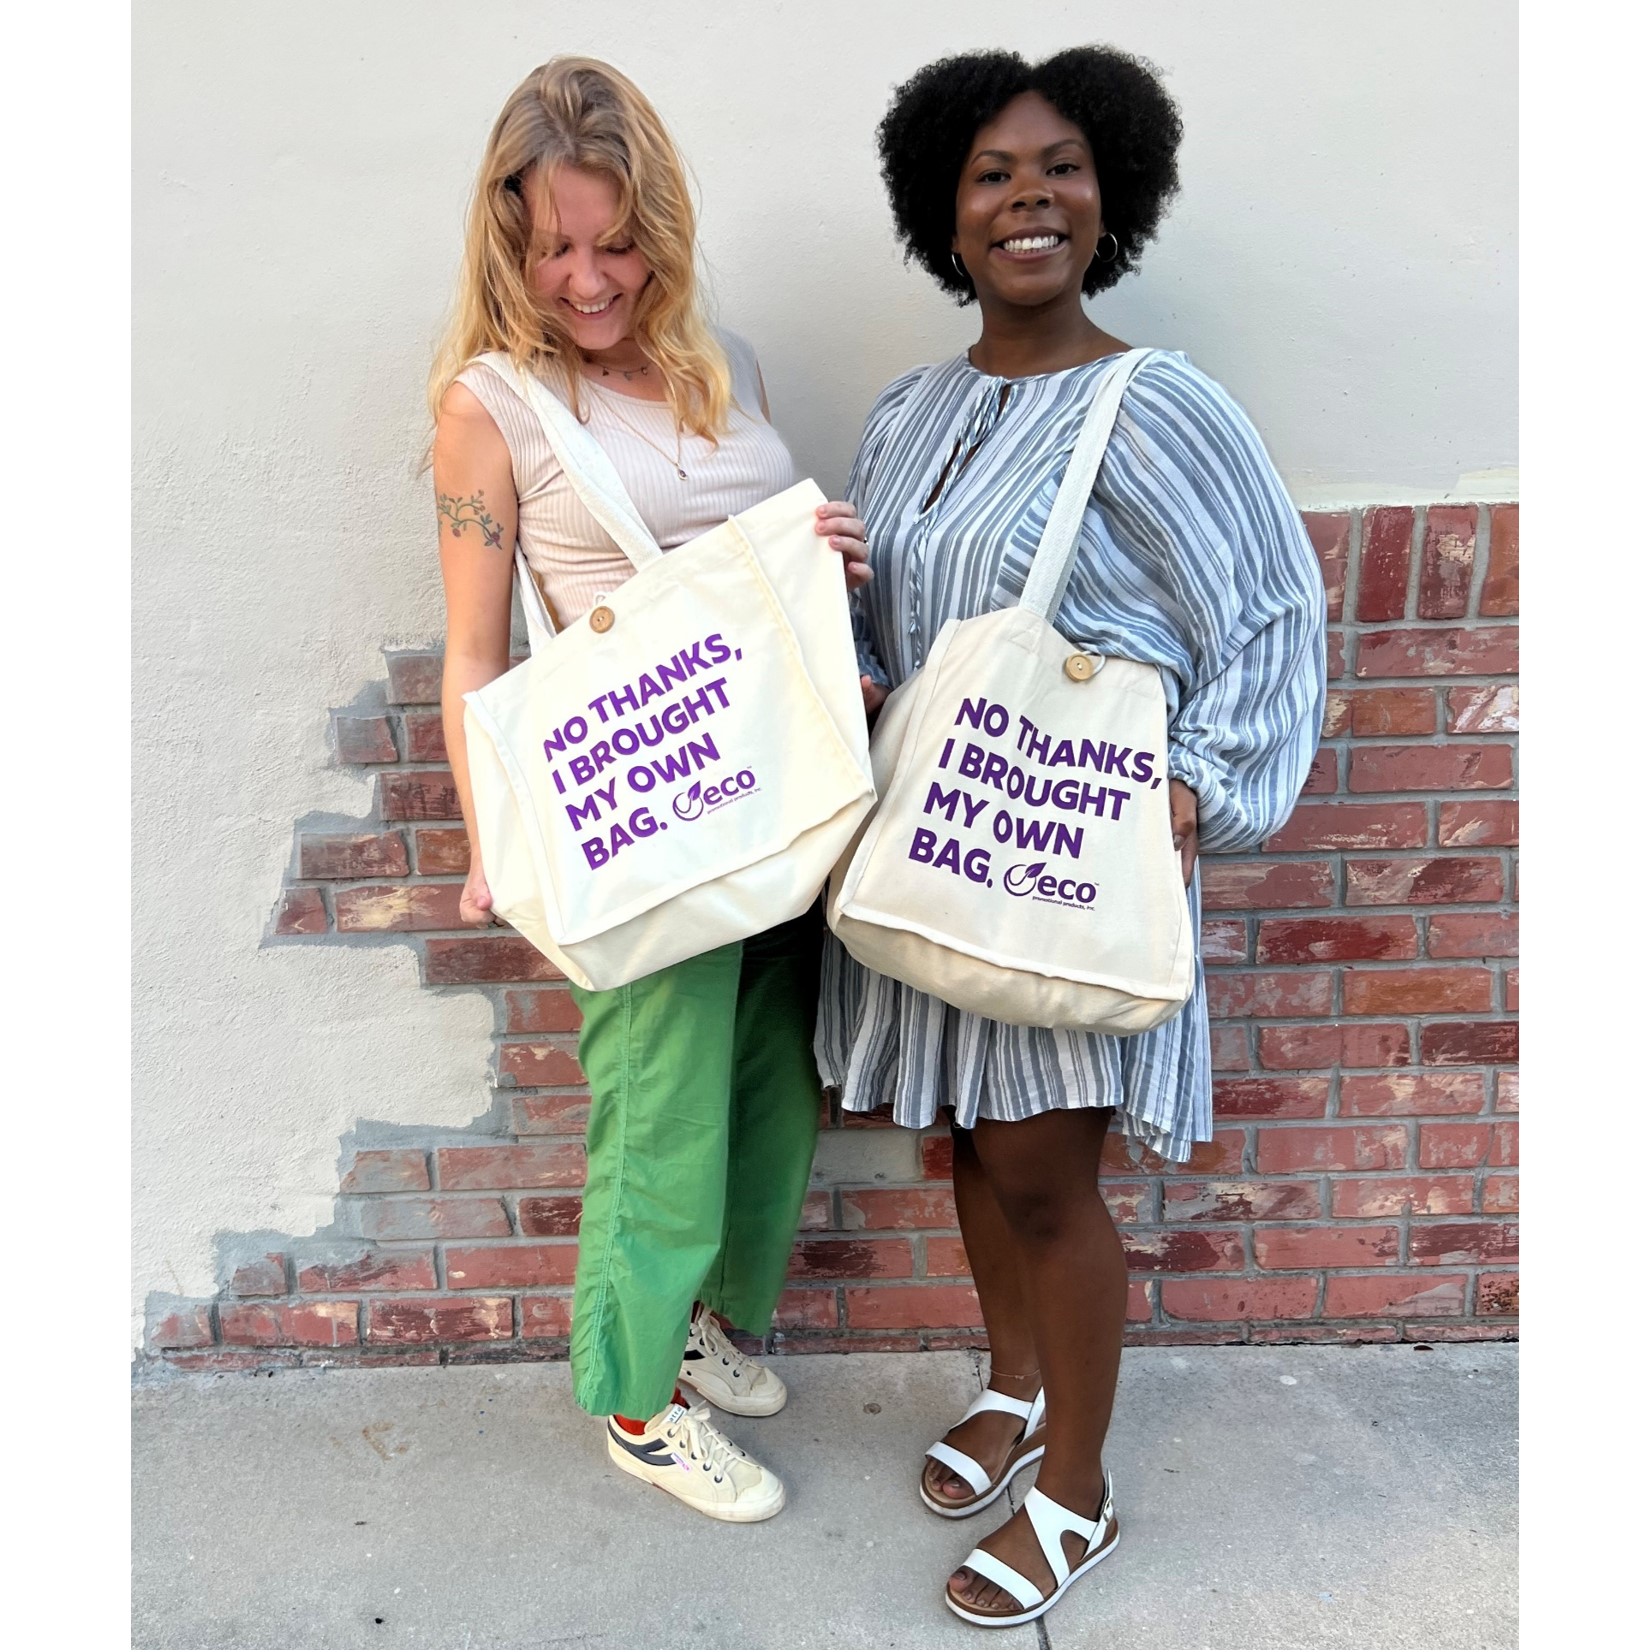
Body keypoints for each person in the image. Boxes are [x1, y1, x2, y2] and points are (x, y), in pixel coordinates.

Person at [816, 46, 1327, 1625]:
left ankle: (1079, 1492)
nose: (1025, 197)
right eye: (987, 174)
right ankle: (1014, 1379)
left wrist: (1201, 786)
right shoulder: (911, 411)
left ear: (1110, 193)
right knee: (967, 1143)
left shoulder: (1156, 401)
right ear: (941, 215)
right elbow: (900, 624)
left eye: (1056, 169)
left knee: (1047, 1177)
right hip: (934, 840)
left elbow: (1272, 612)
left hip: (1059, 854)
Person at [428, 55, 870, 1524]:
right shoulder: (489, 408)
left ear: (660, 230)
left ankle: (692, 1318)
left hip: (770, 786)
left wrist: (829, 561)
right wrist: (495, 839)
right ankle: (633, 1399)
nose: (587, 279)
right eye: (551, 247)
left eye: (615, 243)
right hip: (636, 813)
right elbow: (477, 650)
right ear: (506, 240)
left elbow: (752, 558)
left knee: (762, 1085)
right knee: (657, 1110)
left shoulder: (720, 358)